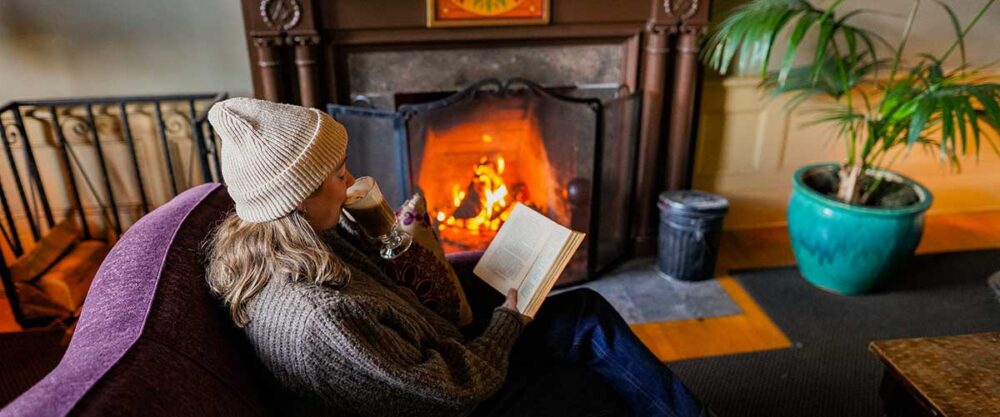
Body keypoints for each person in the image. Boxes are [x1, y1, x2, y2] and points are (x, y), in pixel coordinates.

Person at [202, 97, 710, 417]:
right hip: (455, 394)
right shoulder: (321, 321)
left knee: (585, 310)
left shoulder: (296, 240)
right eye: (334, 175)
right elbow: (453, 391)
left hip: (438, 351)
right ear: (296, 197)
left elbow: (387, 293)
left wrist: (380, 222)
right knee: (582, 344)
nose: (349, 178)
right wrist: (508, 323)